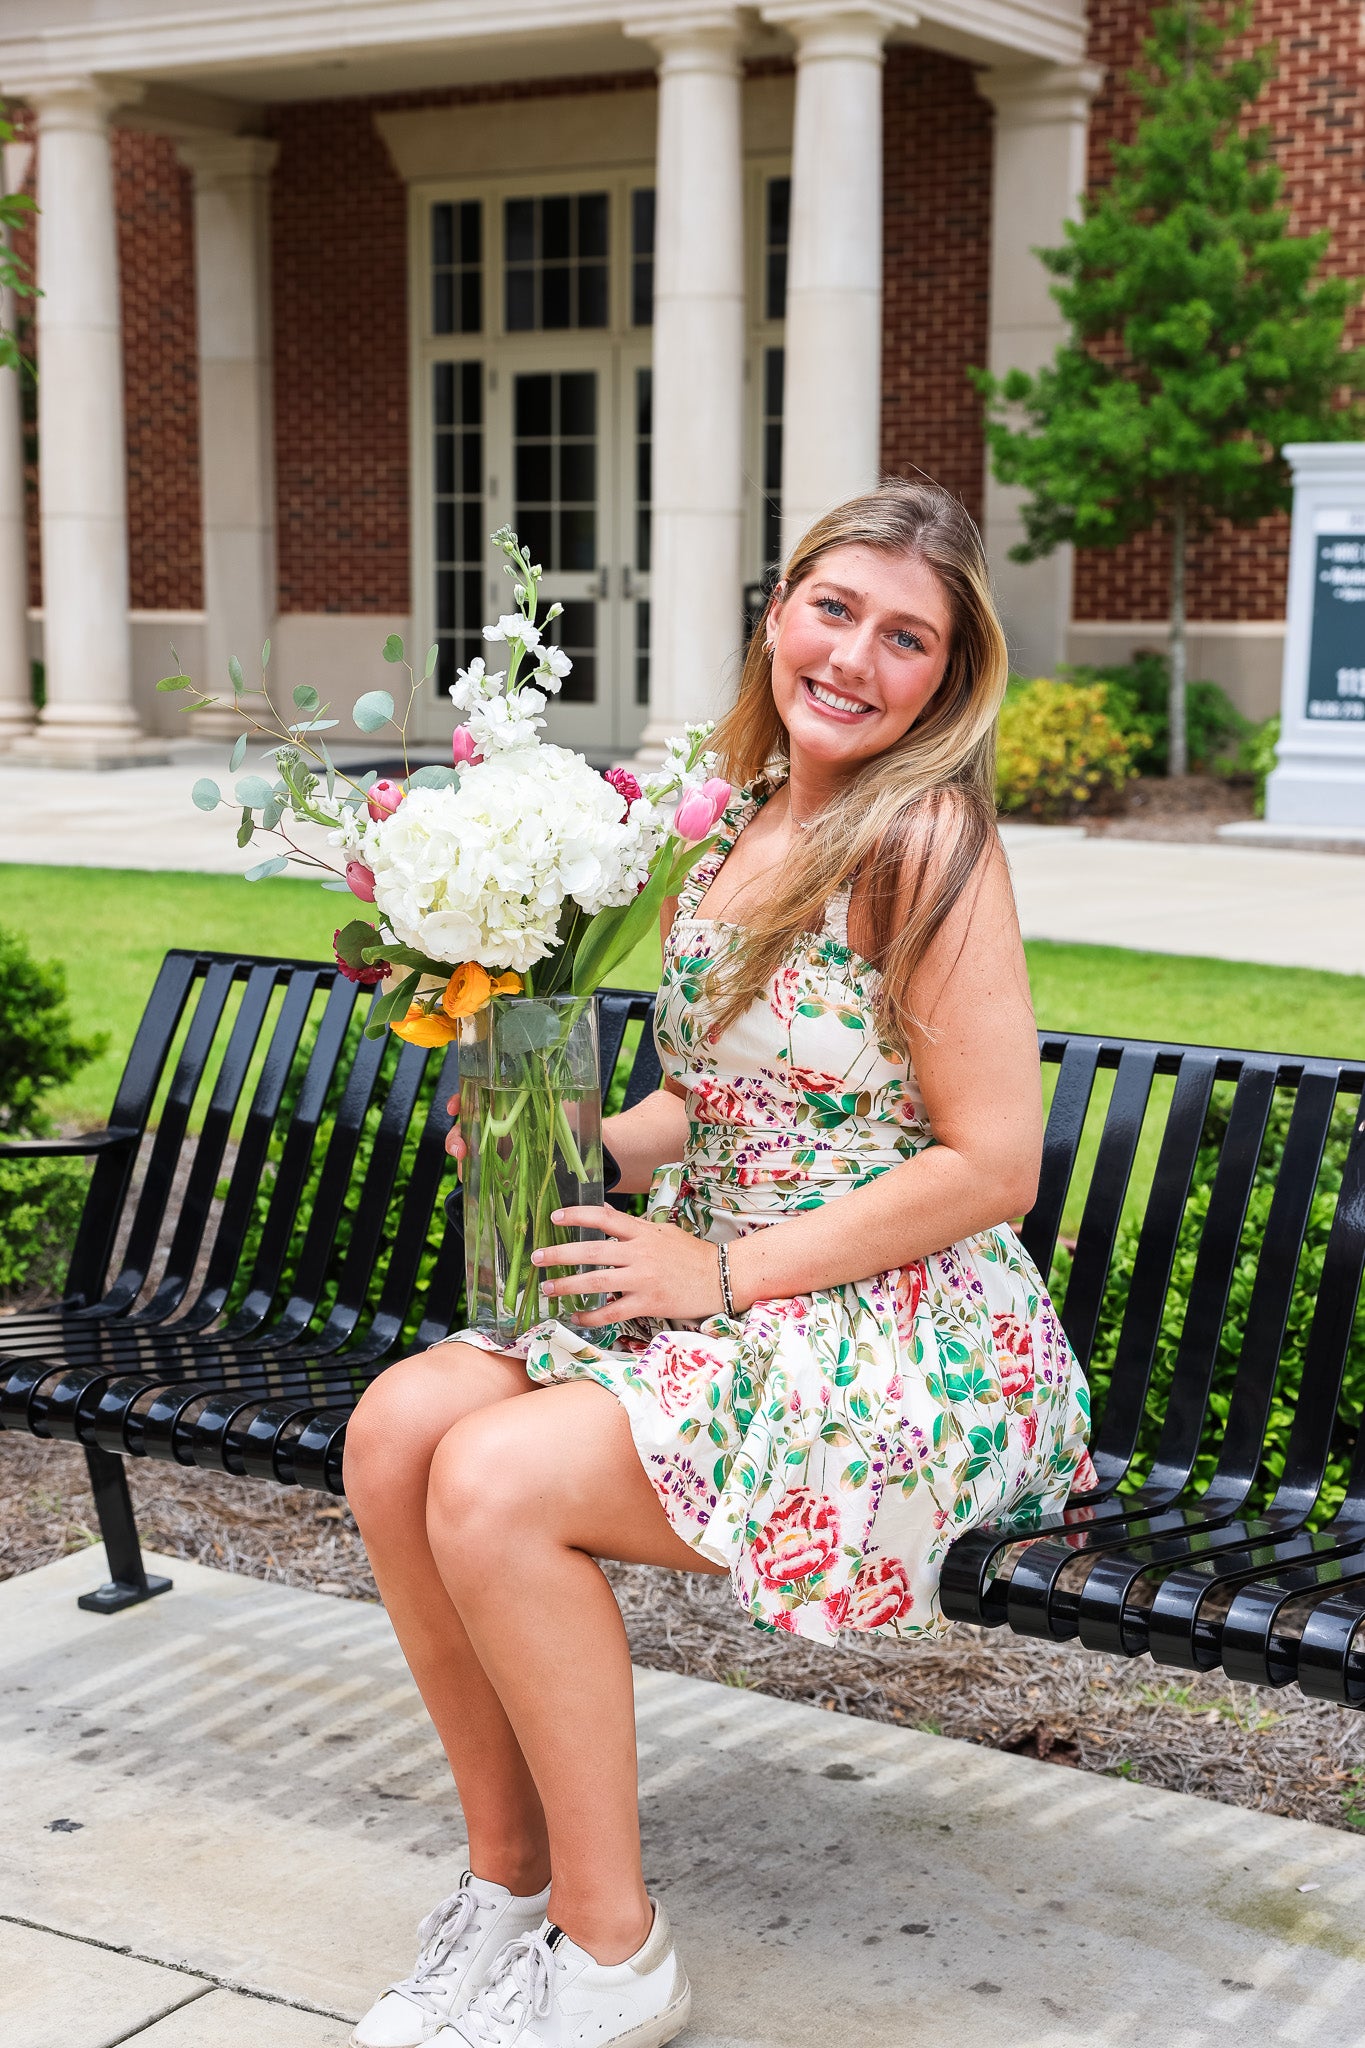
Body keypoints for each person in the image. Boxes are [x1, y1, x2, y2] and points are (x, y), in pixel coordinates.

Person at [342, 481, 1095, 2048]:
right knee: (397, 1430)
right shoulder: (735, 817)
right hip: (724, 1271)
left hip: (900, 1328)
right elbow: (720, 1093)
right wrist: (579, 1140)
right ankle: (506, 1892)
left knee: (492, 1480)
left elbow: (992, 1162)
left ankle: (613, 1961)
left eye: (907, 640)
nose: (856, 659)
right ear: (777, 611)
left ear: (944, 682)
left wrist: (723, 1277)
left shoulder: (922, 840)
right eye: (835, 610)